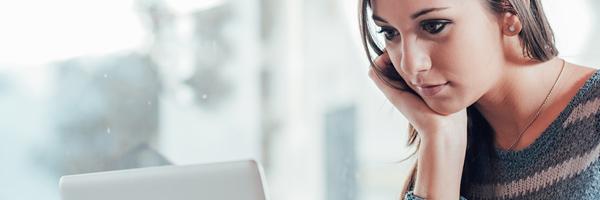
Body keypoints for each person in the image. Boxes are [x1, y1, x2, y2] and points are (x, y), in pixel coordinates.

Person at [358, 0, 600, 199]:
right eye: (389, 33)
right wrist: (441, 140)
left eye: (433, 26)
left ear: (510, 11)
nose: (410, 65)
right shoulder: (456, 143)